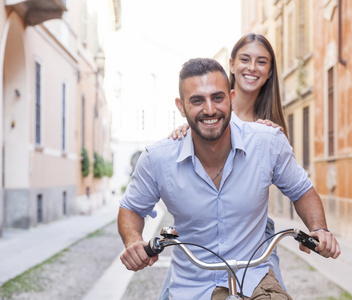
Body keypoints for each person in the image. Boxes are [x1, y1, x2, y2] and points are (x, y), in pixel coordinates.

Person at [118, 57, 340, 299]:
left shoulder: (268, 142)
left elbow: (302, 191)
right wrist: (134, 242)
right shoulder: (157, 159)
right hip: (191, 287)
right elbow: (131, 207)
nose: (210, 109)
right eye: (197, 101)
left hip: (255, 279)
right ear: (181, 107)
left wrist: (318, 229)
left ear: (231, 99)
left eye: (217, 97)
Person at [166, 33, 288, 295]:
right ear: (232, 64)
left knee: (273, 288)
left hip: (253, 231)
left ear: (270, 72)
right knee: (177, 287)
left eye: (262, 62)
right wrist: (185, 130)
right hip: (202, 231)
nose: (252, 68)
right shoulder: (210, 106)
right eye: (245, 59)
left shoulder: (269, 126)